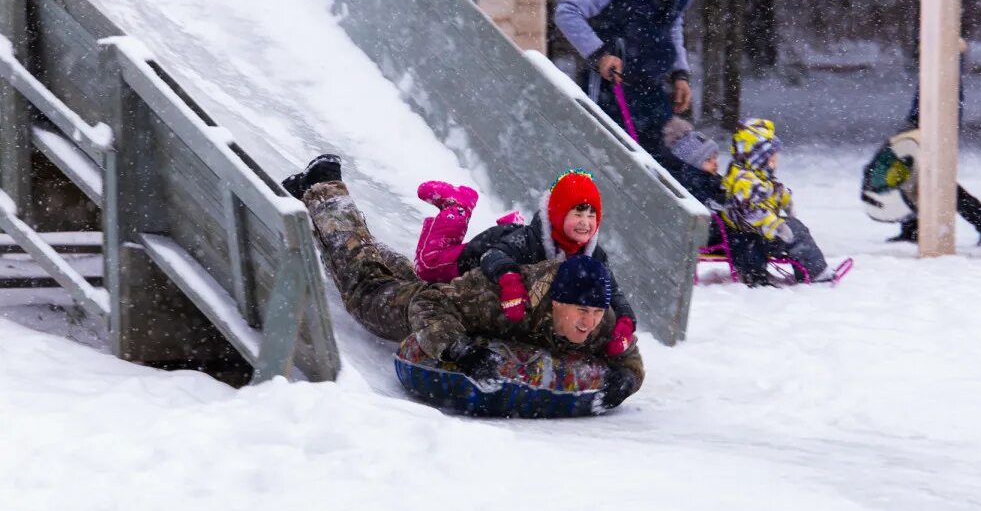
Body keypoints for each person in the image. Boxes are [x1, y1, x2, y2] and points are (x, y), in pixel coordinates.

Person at [282, 155, 643, 410]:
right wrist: (459, 349)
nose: (589, 321)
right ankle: (326, 188)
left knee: (393, 268)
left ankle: (314, 197)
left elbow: (626, 346)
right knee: (366, 284)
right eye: (577, 211)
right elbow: (437, 301)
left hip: (465, 294)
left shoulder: (593, 292)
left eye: (591, 213)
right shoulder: (519, 267)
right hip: (457, 286)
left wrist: (626, 379)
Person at [408, 169, 638, 357]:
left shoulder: (594, 255)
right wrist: (510, 282)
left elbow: (613, 292)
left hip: (514, 247)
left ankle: (511, 221)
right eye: (578, 214)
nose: (586, 223)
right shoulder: (531, 241)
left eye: (592, 216)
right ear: (558, 213)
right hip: (483, 254)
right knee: (427, 267)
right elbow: (492, 257)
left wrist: (626, 322)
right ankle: (457, 206)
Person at [554, 0, 696, 161]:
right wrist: (599, 55)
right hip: (610, 90)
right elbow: (567, 12)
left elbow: (673, 24)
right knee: (612, 165)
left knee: (663, 167)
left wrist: (680, 74)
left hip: (654, 91)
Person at [721, 119, 840, 283]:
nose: (775, 162)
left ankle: (807, 270)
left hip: (760, 232)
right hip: (753, 235)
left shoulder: (756, 176)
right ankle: (816, 273)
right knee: (796, 233)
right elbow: (748, 212)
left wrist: (784, 199)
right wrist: (774, 226)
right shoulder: (745, 181)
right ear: (758, 158)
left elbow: (771, 191)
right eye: (771, 158)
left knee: (796, 229)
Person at [660, 118, 772, 286]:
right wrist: (727, 202)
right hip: (706, 230)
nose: (715, 163)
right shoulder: (693, 181)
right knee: (743, 234)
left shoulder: (706, 177)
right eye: (709, 160)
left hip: (711, 227)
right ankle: (754, 274)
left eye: (715, 157)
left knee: (746, 229)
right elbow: (708, 203)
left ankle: (756, 268)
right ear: (694, 162)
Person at [860, 128, 981, 246]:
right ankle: (912, 229)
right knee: (917, 179)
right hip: (923, 122)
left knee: (935, 183)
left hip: (931, 122)